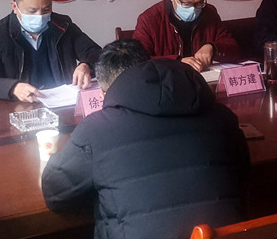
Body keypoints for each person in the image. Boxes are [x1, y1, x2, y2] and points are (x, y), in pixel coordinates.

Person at [41, 39, 250, 239]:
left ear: (103, 94)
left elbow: (55, 194)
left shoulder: (95, 129)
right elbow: (242, 170)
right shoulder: (221, 115)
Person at [0, 0, 102, 102]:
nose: (40, 16)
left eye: (46, 10)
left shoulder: (63, 26)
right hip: (19, 107)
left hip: (63, 104)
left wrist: (86, 65)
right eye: (32, 11)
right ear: (15, 7)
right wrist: (13, 88)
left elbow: (98, 54)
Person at [132, 0, 240, 71]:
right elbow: (137, 61)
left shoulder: (209, 13)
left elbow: (233, 48)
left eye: (199, 3)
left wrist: (213, 48)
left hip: (202, 79)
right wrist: (177, 62)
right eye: (186, 3)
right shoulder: (149, 20)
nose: (193, 9)